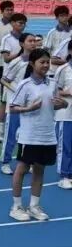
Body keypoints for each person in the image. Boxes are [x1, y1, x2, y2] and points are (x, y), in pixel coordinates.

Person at [8, 49, 66, 222]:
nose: (46, 65)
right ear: (32, 64)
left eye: (47, 62)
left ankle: (34, 206)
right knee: (22, 169)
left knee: (40, 169)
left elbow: (53, 105)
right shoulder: (25, 85)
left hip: (47, 135)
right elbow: (13, 107)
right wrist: (29, 108)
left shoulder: (52, 83)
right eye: (42, 62)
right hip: (29, 135)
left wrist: (63, 104)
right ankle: (16, 206)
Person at [0, 33, 40, 175]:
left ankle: (27, 161)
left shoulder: (37, 62)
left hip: (31, 106)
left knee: (29, 135)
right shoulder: (17, 62)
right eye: (30, 41)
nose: (33, 43)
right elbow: (4, 79)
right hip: (15, 106)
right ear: (22, 44)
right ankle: (5, 162)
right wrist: (17, 90)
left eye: (35, 41)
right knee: (11, 135)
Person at [53, 49, 72, 191]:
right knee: (65, 146)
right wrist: (68, 92)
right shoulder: (63, 69)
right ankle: (63, 176)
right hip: (65, 114)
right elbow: (55, 90)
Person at [44, 5, 71, 75]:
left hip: (69, 68)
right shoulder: (52, 33)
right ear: (56, 18)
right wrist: (51, 60)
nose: (64, 18)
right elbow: (46, 50)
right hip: (54, 68)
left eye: (66, 15)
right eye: (61, 16)